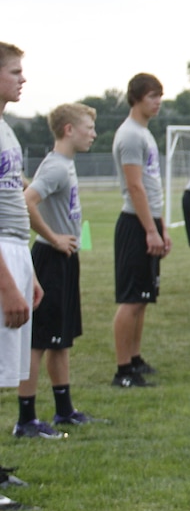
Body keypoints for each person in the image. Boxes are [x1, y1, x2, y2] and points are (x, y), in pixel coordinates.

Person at [13, 103, 100, 441]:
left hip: (63, 258)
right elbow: (27, 201)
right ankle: (26, 419)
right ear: (68, 130)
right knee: (38, 342)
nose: (93, 133)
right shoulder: (57, 168)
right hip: (49, 257)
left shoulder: (64, 165)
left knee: (60, 339)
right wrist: (53, 237)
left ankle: (64, 410)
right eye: (88, 128)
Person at [0, 42, 44, 511]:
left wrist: (25, 272)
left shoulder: (6, 128)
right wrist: (8, 283)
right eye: (14, 72)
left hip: (14, 252)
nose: (22, 79)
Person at [111, 73, 169, 388]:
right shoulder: (131, 135)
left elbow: (151, 184)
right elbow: (135, 186)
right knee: (131, 299)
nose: (158, 102)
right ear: (136, 98)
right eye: (152, 96)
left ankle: (134, 359)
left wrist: (161, 227)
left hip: (148, 221)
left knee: (143, 297)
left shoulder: (144, 133)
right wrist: (150, 229)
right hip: (135, 223)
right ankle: (123, 371)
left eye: (159, 95)